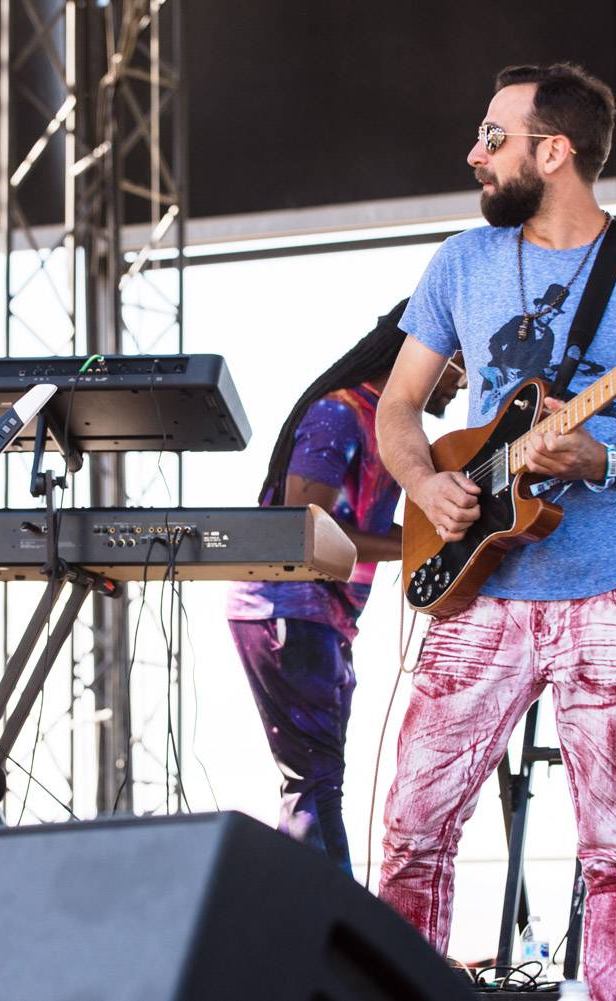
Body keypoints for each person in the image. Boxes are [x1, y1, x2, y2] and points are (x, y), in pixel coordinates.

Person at [373, 63, 616, 1001]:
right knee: (411, 831)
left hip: (612, 587)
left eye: (494, 137)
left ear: (552, 152)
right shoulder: (461, 263)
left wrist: (598, 461)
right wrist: (428, 483)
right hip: (480, 581)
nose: (473, 154)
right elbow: (399, 407)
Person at [225, 303, 464, 873]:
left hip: (320, 616)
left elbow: (372, 531)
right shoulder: (341, 412)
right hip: (282, 608)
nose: (463, 376)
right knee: (313, 776)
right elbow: (304, 527)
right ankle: (324, 926)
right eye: (456, 360)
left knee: (317, 777)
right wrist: (421, 545)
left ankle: (314, 921)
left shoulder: (385, 423)